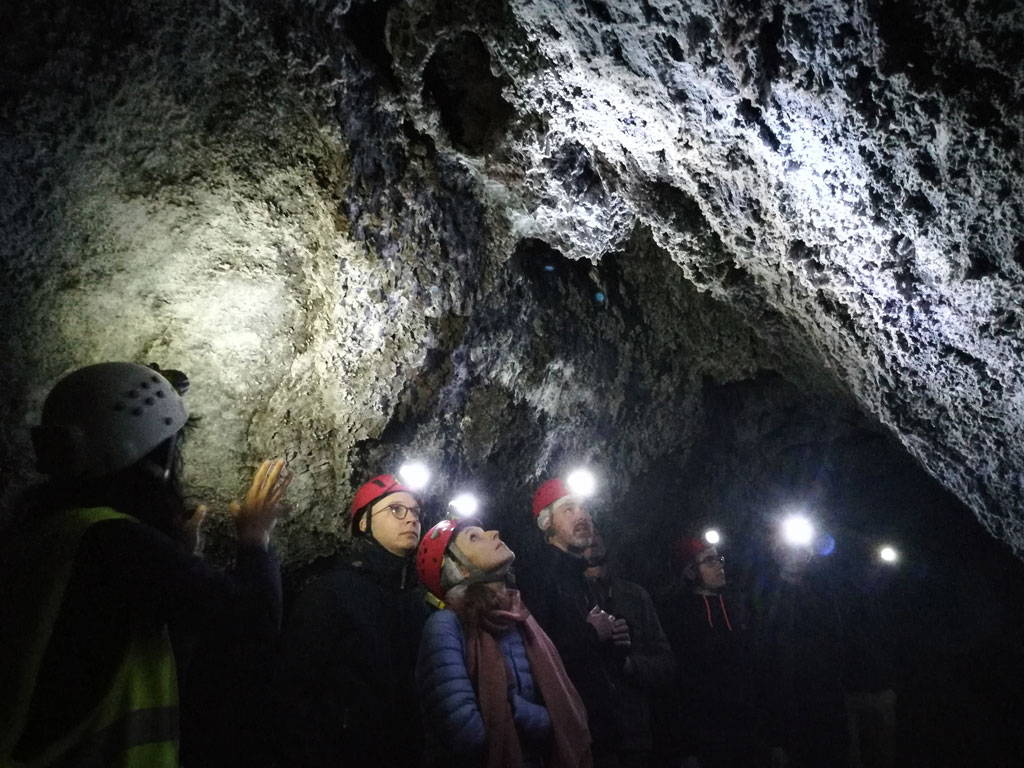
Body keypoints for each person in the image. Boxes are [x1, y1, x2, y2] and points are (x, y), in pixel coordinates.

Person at [0, 361, 291, 768]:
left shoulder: (47, 533)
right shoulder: (113, 541)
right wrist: (255, 538)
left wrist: (176, 556)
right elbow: (253, 620)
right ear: (156, 459)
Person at [275, 472, 431, 767]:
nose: (411, 519)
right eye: (396, 509)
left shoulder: (415, 604)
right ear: (363, 523)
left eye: (415, 512)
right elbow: (292, 687)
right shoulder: (331, 592)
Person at [415, 517, 593, 768]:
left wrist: (516, 710)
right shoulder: (446, 625)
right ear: (459, 569)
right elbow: (465, 733)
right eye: (474, 537)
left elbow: (560, 713)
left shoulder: (518, 619)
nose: (494, 533)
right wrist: (525, 716)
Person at [516, 477, 630, 767]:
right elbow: (537, 652)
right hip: (569, 734)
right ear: (547, 523)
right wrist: (592, 634)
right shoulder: (539, 576)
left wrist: (615, 641)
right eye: (569, 509)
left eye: (584, 508)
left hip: (600, 728)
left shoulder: (581, 578)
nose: (582, 516)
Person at [656, 536, 761, 768]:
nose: (719, 566)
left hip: (744, 730)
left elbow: (754, 668)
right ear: (691, 571)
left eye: (719, 559)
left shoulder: (738, 608)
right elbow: (677, 683)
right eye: (710, 561)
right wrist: (685, 748)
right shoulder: (677, 616)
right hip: (703, 735)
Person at [752, 535, 848, 768]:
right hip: (784, 707)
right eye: (787, 550)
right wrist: (773, 737)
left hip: (823, 706)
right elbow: (762, 659)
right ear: (777, 554)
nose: (794, 556)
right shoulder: (764, 594)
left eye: (800, 551)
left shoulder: (823, 593)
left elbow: (836, 644)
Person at [582, 532, 675, 768]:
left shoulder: (635, 596)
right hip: (589, 735)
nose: (591, 540)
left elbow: (666, 664)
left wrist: (629, 664)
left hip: (633, 734)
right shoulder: (568, 598)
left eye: (595, 533)